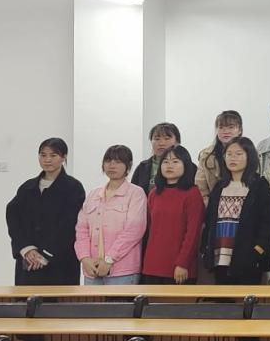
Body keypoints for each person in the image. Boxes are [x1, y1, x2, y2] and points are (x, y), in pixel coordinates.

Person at [6, 138, 85, 285]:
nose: (47, 160)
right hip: (29, 261)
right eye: (43, 155)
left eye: (53, 155)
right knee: (27, 299)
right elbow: (14, 219)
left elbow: (70, 225)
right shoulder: (27, 187)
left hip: (61, 262)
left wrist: (45, 254)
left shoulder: (73, 187)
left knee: (58, 299)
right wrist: (26, 249)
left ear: (64, 157)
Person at [202, 137, 270, 285]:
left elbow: (267, 223)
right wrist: (205, 248)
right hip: (220, 257)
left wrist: (257, 250)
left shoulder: (259, 186)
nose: (232, 158)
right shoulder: (219, 187)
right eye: (229, 154)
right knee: (223, 298)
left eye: (238, 154)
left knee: (247, 298)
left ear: (250, 157)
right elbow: (209, 221)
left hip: (248, 259)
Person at [75, 145, 148, 285]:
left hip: (122, 271)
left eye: (118, 161)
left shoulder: (136, 193)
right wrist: (84, 258)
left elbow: (134, 231)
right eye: (108, 161)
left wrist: (109, 259)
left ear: (128, 166)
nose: (112, 165)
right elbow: (81, 229)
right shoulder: (94, 194)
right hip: (92, 268)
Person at [142, 145, 205, 284]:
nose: (169, 165)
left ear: (186, 165)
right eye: (165, 162)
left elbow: (193, 233)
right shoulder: (154, 193)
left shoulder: (192, 193)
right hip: (152, 264)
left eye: (175, 161)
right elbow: (150, 229)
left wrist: (183, 263)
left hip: (180, 267)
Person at [196, 110, 244, 204]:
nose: (225, 131)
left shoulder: (248, 153)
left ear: (240, 130)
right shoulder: (206, 155)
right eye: (221, 127)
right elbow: (200, 187)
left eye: (231, 127)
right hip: (213, 204)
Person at [132, 122, 195, 193]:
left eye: (167, 138)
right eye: (157, 139)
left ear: (177, 142)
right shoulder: (142, 167)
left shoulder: (190, 167)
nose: (161, 143)